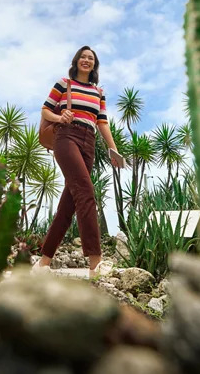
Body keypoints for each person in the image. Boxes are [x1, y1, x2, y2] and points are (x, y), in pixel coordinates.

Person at [32, 46, 121, 278]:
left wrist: (113, 149)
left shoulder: (98, 92)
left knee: (68, 205)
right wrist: (60, 117)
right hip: (67, 137)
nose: (86, 60)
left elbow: (102, 122)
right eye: (83, 56)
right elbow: (45, 110)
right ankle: (96, 263)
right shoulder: (64, 84)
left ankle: (42, 264)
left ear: (94, 65)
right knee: (86, 192)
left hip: (89, 142)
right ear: (76, 61)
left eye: (91, 58)